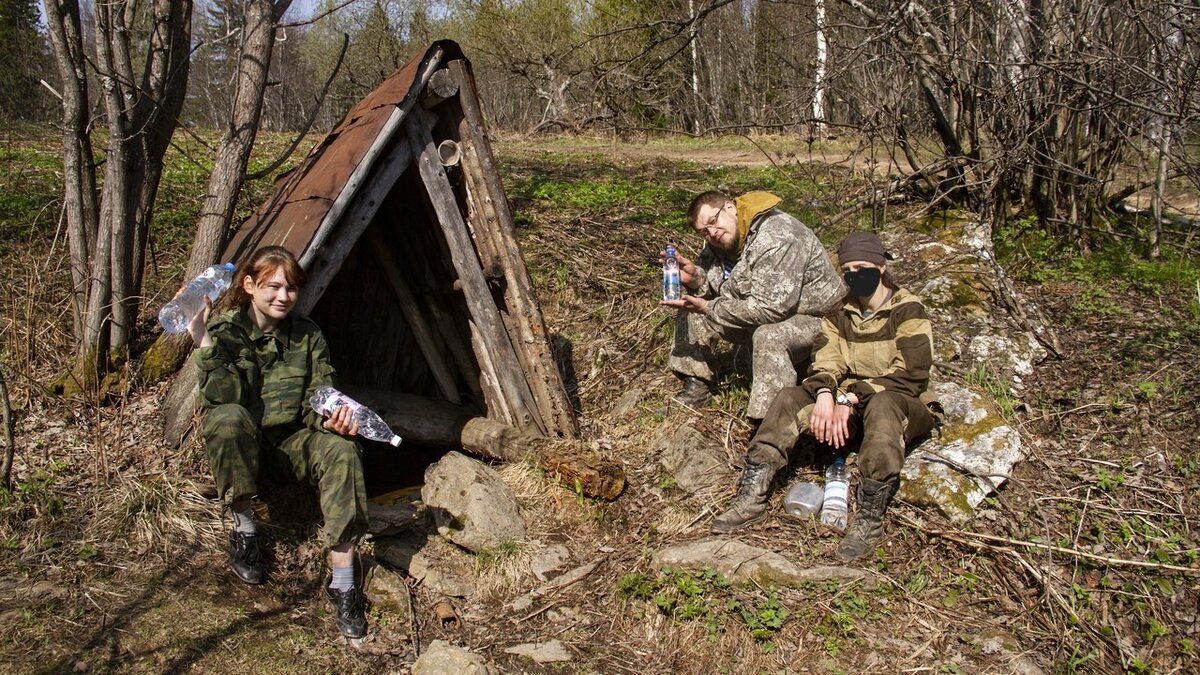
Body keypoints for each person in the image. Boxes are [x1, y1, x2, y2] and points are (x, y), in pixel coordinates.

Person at [710, 231, 936, 562]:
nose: (855, 276)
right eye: (847, 270)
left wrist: (850, 398)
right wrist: (827, 393)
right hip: (849, 403)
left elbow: (911, 373)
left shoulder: (908, 310)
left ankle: (870, 521)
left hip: (899, 401)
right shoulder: (838, 313)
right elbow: (826, 361)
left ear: (881, 266)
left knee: (885, 404)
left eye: (862, 267)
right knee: (789, 397)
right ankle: (753, 495)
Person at [187, 246, 370, 639]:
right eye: (273, 286)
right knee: (228, 417)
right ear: (250, 285)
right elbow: (221, 400)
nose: (283, 297)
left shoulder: (308, 336)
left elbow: (317, 399)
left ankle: (343, 581)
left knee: (343, 449)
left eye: (291, 289)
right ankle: (245, 528)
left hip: (292, 447)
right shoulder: (226, 333)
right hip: (246, 446)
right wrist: (202, 340)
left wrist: (333, 422)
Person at [660, 191, 843, 423]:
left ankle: (767, 424)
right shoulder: (722, 242)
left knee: (768, 335)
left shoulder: (778, 236)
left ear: (730, 208)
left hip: (820, 322)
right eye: (704, 231)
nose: (712, 233)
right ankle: (696, 387)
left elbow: (770, 310)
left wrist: (709, 307)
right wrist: (696, 278)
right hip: (768, 314)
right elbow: (723, 287)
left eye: (713, 222)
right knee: (690, 307)